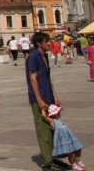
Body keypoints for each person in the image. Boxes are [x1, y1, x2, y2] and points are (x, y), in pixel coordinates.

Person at [26, 32, 64, 171]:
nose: (49, 44)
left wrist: (55, 96)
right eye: (46, 41)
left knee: (52, 128)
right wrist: (39, 100)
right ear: (39, 43)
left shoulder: (45, 56)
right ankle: (47, 161)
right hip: (39, 98)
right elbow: (33, 79)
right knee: (43, 130)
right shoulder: (34, 56)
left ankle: (53, 157)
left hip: (49, 96)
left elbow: (48, 78)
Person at [42, 104, 85, 171]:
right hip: (63, 140)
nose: (59, 113)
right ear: (53, 114)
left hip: (70, 137)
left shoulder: (59, 119)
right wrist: (43, 109)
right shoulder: (52, 121)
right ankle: (74, 165)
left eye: (59, 112)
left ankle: (78, 160)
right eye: (57, 112)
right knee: (70, 153)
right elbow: (44, 116)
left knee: (78, 148)